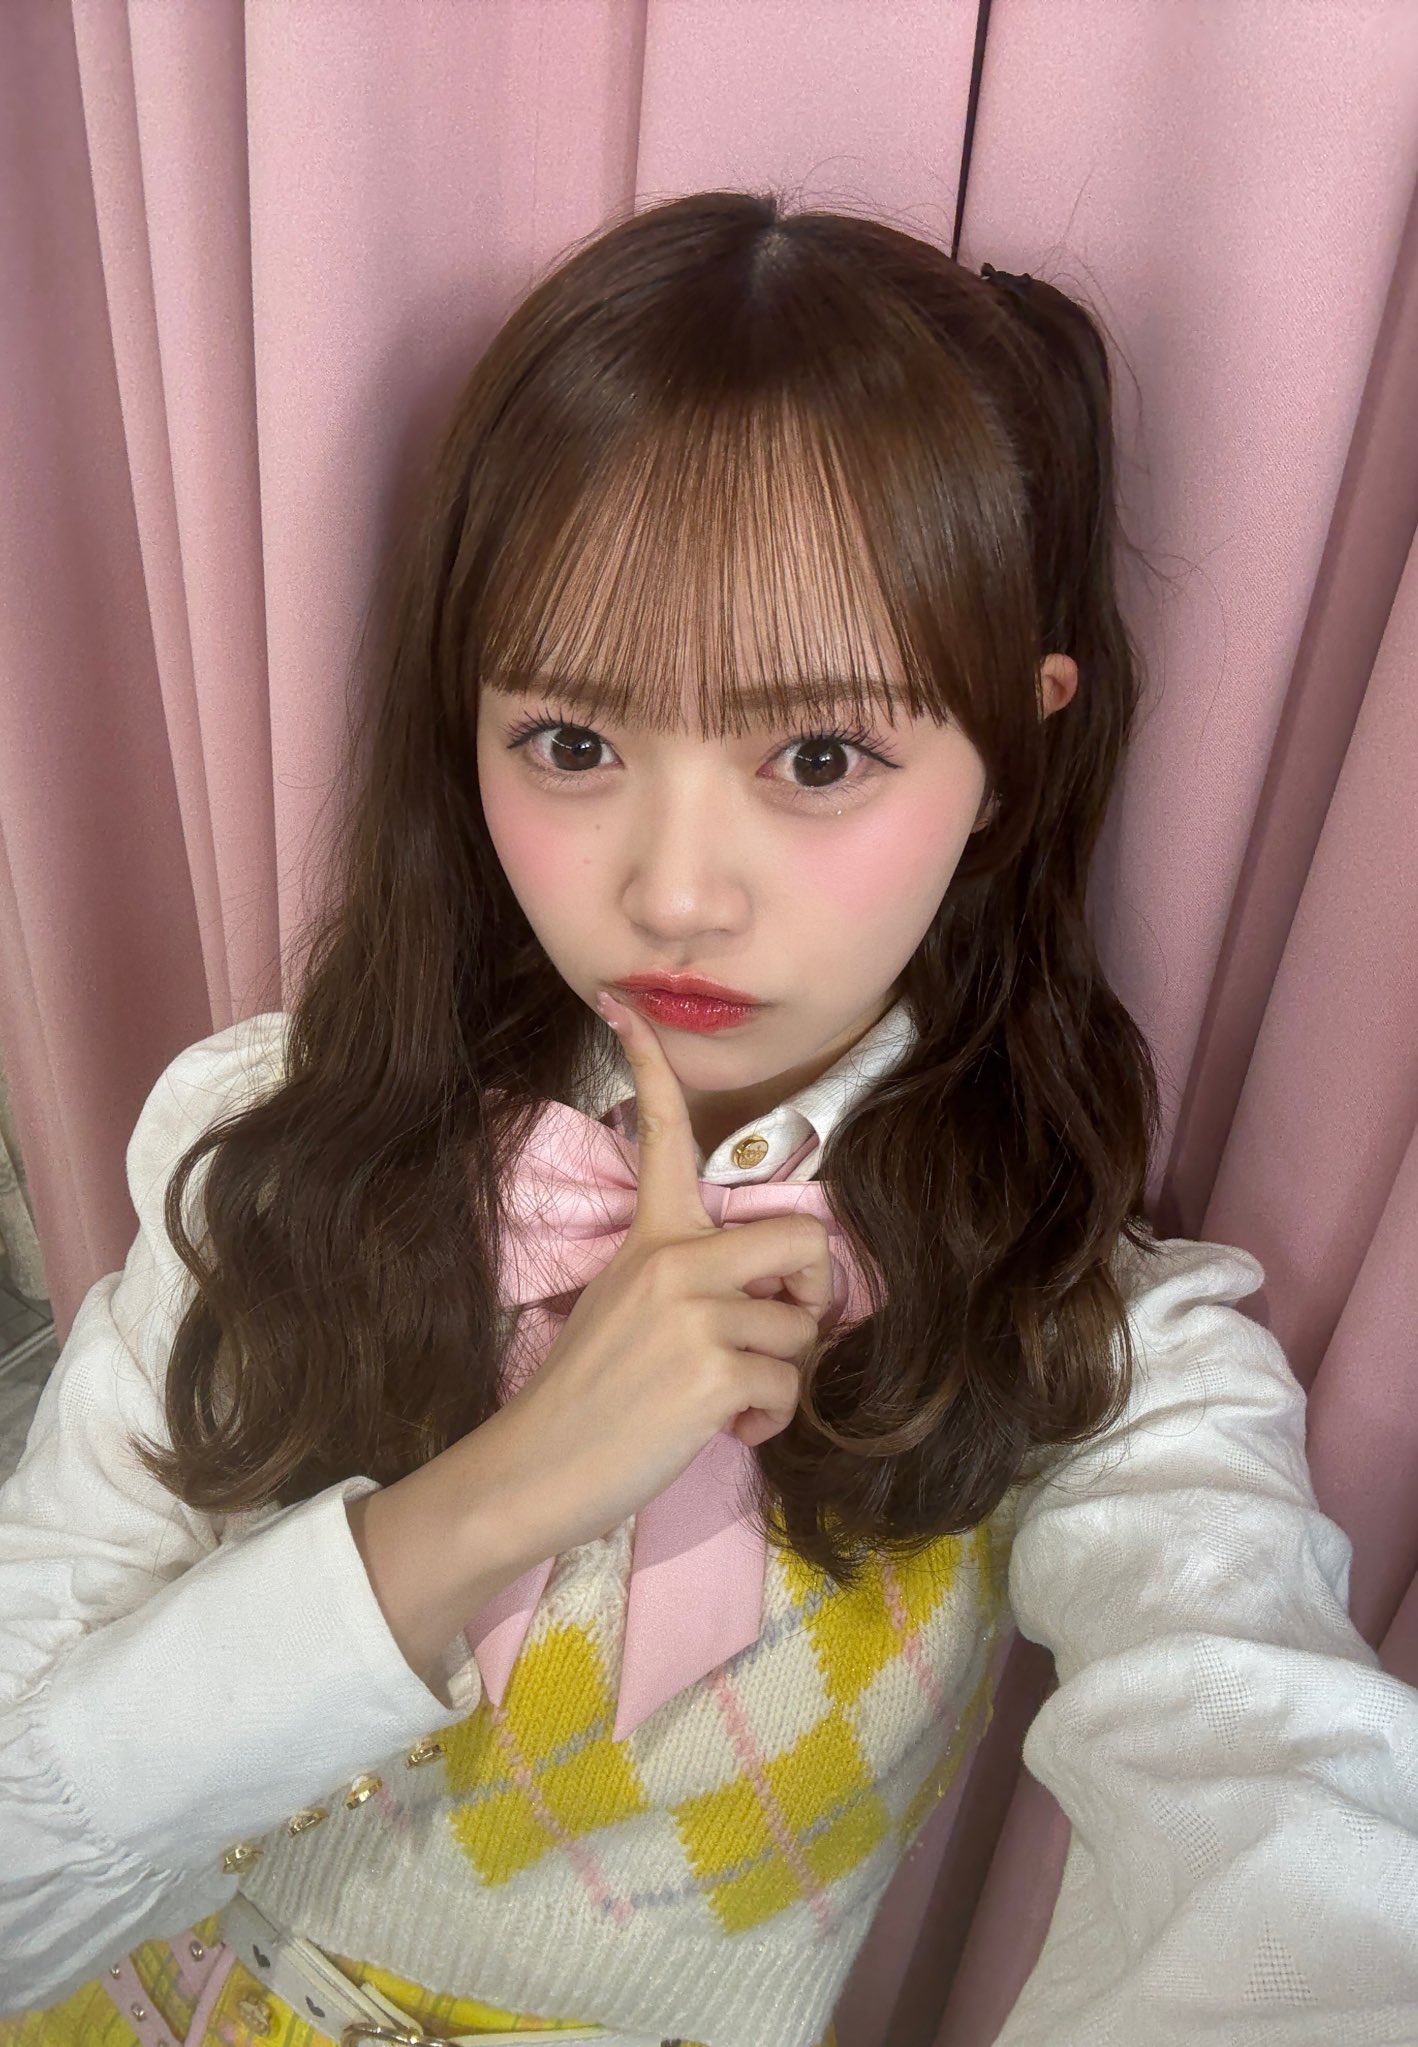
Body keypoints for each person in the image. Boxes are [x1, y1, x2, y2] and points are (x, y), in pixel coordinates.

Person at [2, 189, 1416, 2047]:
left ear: (1015, 747)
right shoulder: (273, 1137)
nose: (672, 893)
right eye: (572, 744)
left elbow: (1281, 1814)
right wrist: (505, 1491)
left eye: (818, 756)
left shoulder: (1097, 1336)